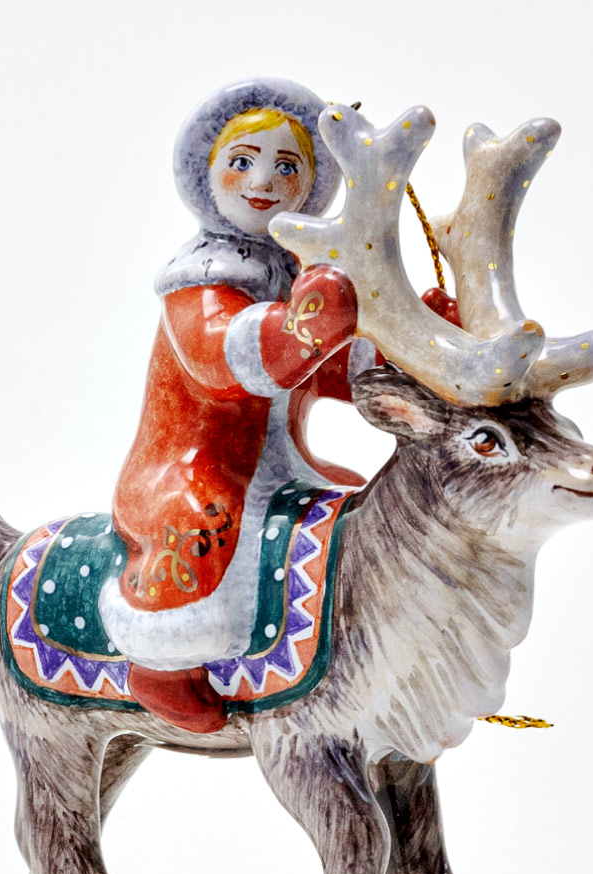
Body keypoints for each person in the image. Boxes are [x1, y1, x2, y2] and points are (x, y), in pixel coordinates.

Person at [98, 78, 370, 733]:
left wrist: (393, 349)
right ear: (207, 175)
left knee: (356, 504)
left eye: (288, 166)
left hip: (279, 467)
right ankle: (159, 666)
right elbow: (218, 359)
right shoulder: (202, 276)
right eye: (243, 161)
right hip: (193, 469)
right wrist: (303, 329)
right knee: (201, 531)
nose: (264, 180)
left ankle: (333, 641)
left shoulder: (294, 272)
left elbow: (327, 373)